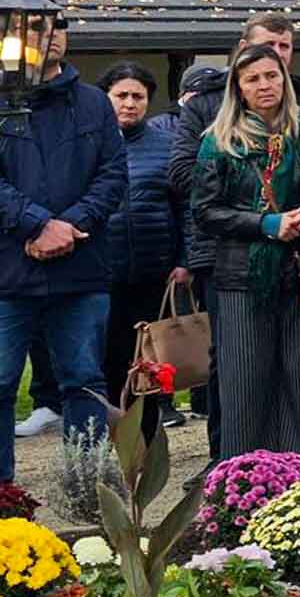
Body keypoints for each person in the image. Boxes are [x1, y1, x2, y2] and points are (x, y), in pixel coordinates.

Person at [0, 16, 124, 482]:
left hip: (80, 268)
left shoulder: (94, 102)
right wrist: (36, 225)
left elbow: (114, 175)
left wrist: (67, 227)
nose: (48, 33)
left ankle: (87, 487)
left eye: (56, 23)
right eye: (33, 26)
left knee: (85, 383)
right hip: (1, 274)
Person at [169, 12, 300, 457]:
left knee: (297, 369)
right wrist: (263, 213)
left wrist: (298, 214)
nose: (275, 58)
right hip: (226, 255)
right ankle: (229, 464)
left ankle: (296, 463)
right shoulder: (205, 107)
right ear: (240, 52)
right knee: (236, 369)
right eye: (266, 46)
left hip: (297, 258)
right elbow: (182, 175)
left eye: (284, 49)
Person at [191, 43, 300, 462]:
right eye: (253, 78)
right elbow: (204, 212)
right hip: (241, 278)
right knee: (244, 390)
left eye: (271, 76)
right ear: (238, 88)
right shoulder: (219, 141)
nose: (264, 85)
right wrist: (265, 225)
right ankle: (242, 488)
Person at [98, 62, 188, 428]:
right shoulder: (92, 144)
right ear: (107, 98)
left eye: (138, 97)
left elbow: (184, 208)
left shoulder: (166, 146)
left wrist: (184, 260)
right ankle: (107, 441)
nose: (130, 104)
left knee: (149, 365)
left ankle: (149, 440)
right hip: (103, 274)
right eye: (122, 96)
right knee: (108, 360)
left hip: (156, 272)